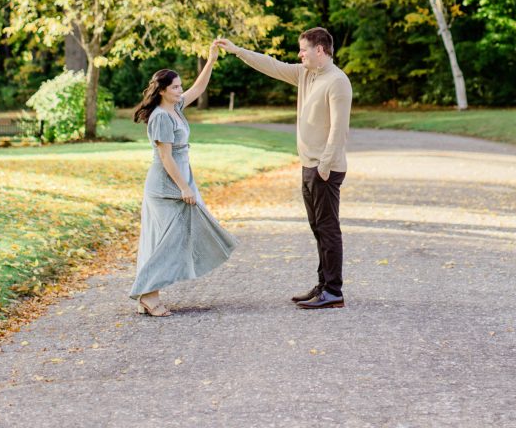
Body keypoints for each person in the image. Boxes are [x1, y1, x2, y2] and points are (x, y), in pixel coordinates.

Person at [216, 27, 352, 310]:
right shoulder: (305, 74)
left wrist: (325, 166)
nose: (299, 54)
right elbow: (272, 65)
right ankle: (323, 285)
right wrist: (237, 50)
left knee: (328, 229)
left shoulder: (337, 81)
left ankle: (334, 291)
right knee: (317, 228)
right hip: (309, 166)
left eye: (303, 49)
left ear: (320, 50)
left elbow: (339, 128)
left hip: (324, 168)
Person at [130, 43, 236, 317]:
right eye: (175, 87)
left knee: (176, 237)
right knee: (167, 241)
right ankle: (148, 295)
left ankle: (149, 292)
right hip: (166, 187)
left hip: (179, 181)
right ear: (162, 91)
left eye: (180, 86)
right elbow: (165, 158)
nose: (180, 91)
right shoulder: (161, 117)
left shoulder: (176, 108)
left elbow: (199, 89)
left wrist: (211, 60)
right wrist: (184, 187)